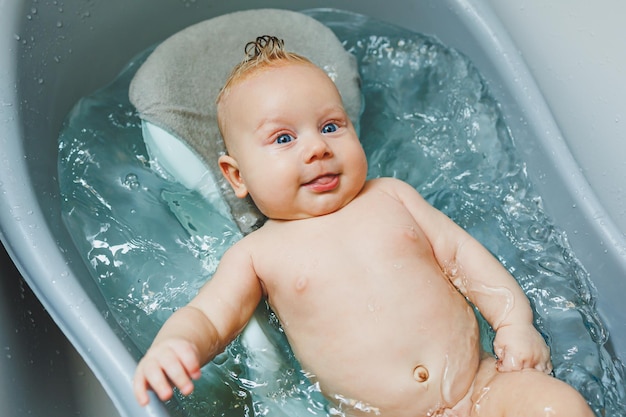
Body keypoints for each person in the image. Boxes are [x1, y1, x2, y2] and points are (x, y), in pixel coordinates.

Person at [133, 36, 594, 417]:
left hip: (484, 385)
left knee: (561, 407)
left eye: (331, 127)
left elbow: (463, 256)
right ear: (237, 175)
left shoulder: (390, 195)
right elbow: (210, 317)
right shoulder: (256, 254)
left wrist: (515, 323)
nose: (316, 148)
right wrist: (176, 345)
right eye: (284, 138)